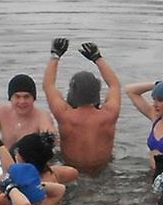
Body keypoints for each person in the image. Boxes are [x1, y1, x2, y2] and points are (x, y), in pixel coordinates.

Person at [43, 39, 123, 173]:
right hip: (103, 172)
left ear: (72, 93)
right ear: (97, 92)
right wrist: (97, 58)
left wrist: (55, 55)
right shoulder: (109, 115)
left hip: (72, 172)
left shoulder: (65, 116)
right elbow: (114, 85)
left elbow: (48, 85)